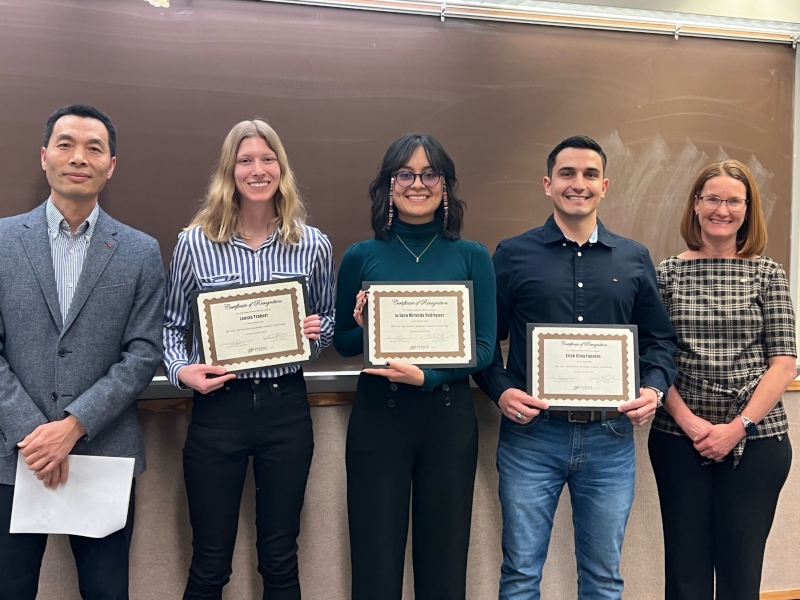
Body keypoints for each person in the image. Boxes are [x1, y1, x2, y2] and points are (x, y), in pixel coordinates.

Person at [474, 135, 677, 600]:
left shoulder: (634, 257)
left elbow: (660, 341)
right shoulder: (512, 254)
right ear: (548, 184)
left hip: (610, 441)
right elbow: (484, 343)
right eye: (567, 174)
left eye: (589, 175)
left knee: (603, 579)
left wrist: (653, 389)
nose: (578, 184)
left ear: (605, 185)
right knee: (522, 574)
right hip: (532, 438)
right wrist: (501, 390)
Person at [163, 119, 335, 600]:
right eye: (245, 160)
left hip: (287, 408)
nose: (257, 170)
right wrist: (182, 371)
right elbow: (173, 325)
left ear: (281, 167)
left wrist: (315, 335)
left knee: (280, 560)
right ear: (229, 170)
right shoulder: (195, 243)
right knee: (210, 563)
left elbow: (329, 315)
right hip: (220, 409)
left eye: (267, 158)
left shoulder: (312, 243)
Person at [0, 104, 165, 599]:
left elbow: (143, 354)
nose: (80, 157)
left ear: (110, 165)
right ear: (45, 156)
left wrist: (72, 426)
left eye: (94, 148)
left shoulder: (140, 251)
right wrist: (35, 435)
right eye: (67, 144)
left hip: (103, 453)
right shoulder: (2, 241)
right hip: (14, 457)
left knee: (106, 592)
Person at [334, 133, 496, 600]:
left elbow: (485, 348)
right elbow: (344, 345)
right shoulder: (362, 256)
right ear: (388, 184)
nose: (417, 183)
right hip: (378, 419)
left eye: (430, 174)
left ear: (446, 185)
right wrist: (366, 326)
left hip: (447, 418)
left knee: (444, 566)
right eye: (404, 173)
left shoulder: (473, 256)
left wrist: (431, 376)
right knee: (375, 564)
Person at [648, 160, 796, 600]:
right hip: (679, 439)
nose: (722, 209)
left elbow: (785, 363)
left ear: (748, 211)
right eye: (712, 198)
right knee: (685, 574)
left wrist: (737, 429)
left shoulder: (768, 273)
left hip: (757, 443)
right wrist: (692, 424)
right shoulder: (666, 273)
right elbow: (655, 357)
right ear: (695, 205)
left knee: (741, 571)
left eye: (734, 201)